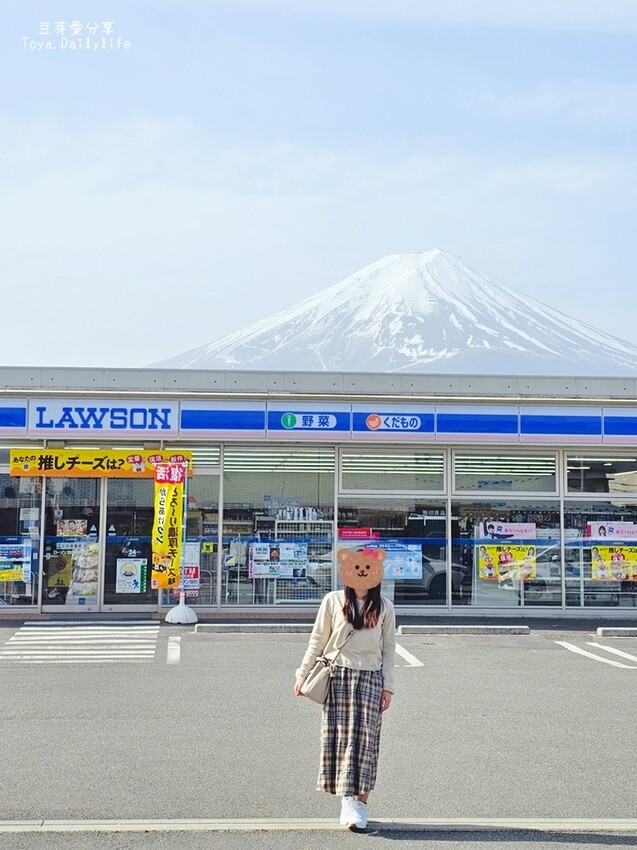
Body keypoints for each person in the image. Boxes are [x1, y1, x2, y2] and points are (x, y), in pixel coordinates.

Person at [294, 547, 396, 832]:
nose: (363, 574)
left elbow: (389, 650)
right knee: (339, 739)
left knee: (365, 743)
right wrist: (302, 674)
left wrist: (388, 687)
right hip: (338, 676)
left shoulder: (385, 607)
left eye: (368, 569)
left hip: (371, 679)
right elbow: (317, 641)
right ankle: (346, 801)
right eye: (357, 568)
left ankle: (359, 804)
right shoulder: (333, 601)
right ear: (347, 571)